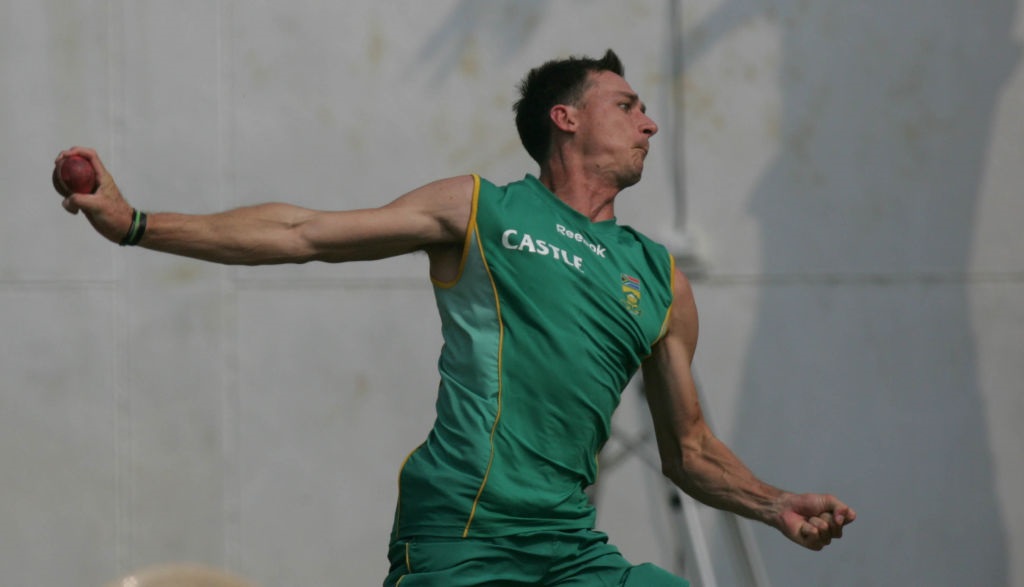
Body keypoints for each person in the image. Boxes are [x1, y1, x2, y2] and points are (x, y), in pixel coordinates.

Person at [57, 49, 854, 587]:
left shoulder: (660, 279)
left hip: (569, 551)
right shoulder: (482, 209)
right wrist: (136, 222)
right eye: (627, 105)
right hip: (463, 537)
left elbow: (689, 449)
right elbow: (300, 232)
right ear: (565, 119)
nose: (649, 123)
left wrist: (773, 503)